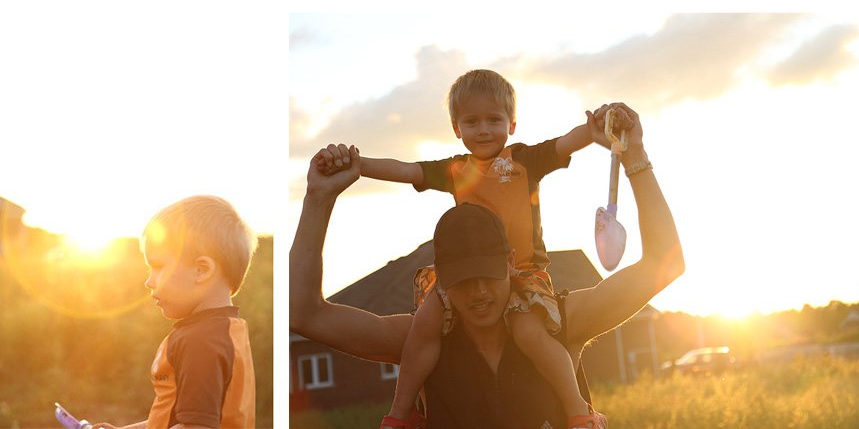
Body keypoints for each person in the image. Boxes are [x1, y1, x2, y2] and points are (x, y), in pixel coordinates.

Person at [291, 103, 683, 428]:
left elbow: (665, 263)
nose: (478, 292)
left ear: (511, 264)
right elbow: (303, 313)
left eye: (488, 276)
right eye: (463, 280)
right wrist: (318, 199)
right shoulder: (423, 342)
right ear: (440, 280)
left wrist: (634, 155)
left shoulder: (558, 323)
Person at [95, 196, 258, 429]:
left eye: (158, 267)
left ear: (201, 270)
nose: (149, 282)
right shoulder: (226, 330)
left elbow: (196, 426)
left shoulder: (201, 342)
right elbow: (172, 420)